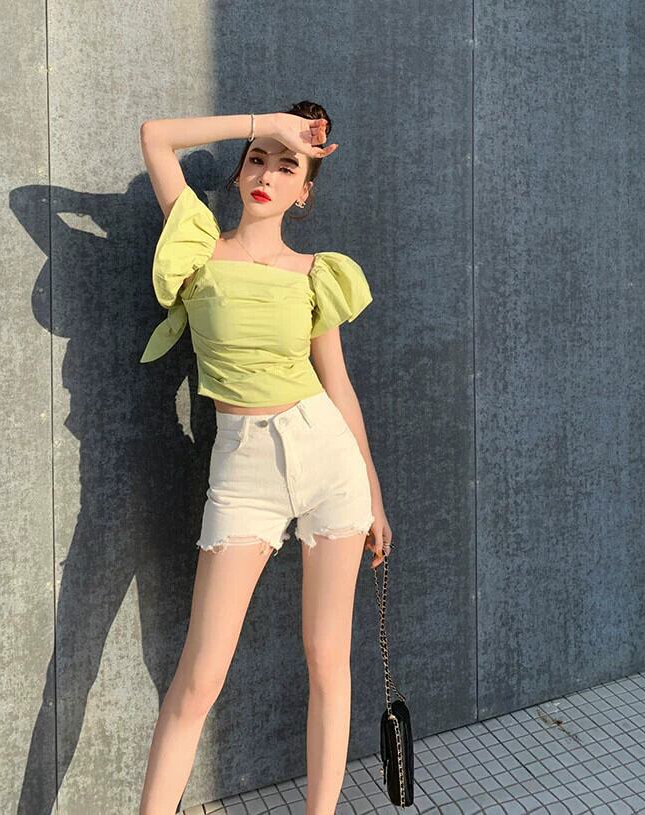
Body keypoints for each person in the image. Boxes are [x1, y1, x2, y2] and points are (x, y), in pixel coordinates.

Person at [137, 102, 394, 815]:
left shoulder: (316, 273)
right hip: (243, 470)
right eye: (259, 159)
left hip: (328, 460)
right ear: (240, 169)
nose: (267, 175)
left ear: (304, 192)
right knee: (198, 679)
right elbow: (156, 137)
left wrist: (374, 494)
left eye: (288, 167)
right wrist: (266, 122)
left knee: (328, 660)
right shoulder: (198, 245)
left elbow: (338, 385)